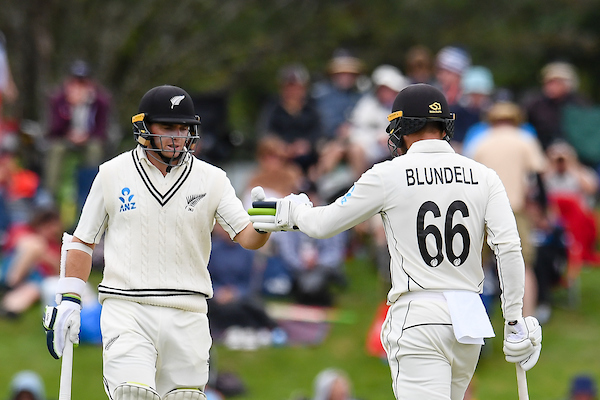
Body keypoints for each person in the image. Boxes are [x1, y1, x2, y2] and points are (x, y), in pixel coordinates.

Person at [249, 84, 542, 400]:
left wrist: (283, 209)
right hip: (469, 321)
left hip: (418, 316)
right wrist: (514, 321)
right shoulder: (484, 176)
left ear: (403, 127)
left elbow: (323, 224)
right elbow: (510, 249)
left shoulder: (388, 174)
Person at [42, 85, 271, 400]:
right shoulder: (112, 174)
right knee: (132, 393)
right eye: (167, 127)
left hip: (188, 312)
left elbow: (246, 235)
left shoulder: (213, 179)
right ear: (145, 127)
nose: (177, 136)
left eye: (183, 128)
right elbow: (82, 241)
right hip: (128, 308)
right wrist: (69, 299)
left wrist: (265, 224)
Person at [472, 101, 548, 318]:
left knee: (477, 266)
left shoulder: (481, 142)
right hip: (514, 210)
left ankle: (475, 319)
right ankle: (526, 319)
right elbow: (538, 177)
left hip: (482, 210)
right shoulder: (524, 141)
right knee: (523, 265)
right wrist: (542, 210)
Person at [44, 59, 112, 217]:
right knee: (56, 150)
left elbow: (102, 130)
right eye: (75, 81)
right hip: (65, 138)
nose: (79, 86)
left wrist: (86, 136)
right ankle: (49, 195)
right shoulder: (58, 99)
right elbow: (54, 129)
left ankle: (90, 192)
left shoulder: (100, 101)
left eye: (82, 82)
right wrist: (69, 108)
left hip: (89, 139)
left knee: (94, 149)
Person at [0, 206, 62, 319]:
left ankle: (10, 307)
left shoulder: (56, 246)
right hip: (12, 267)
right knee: (35, 245)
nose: (53, 230)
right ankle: (10, 284)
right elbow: (19, 244)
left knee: (34, 289)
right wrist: (42, 253)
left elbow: (58, 270)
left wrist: (43, 255)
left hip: (35, 277)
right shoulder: (22, 230)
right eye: (49, 226)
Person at [524, 61, 588, 151]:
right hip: (543, 152)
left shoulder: (580, 104)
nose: (551, 86)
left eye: (556, 83)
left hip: (574, 153)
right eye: (548, 82)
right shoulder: (535, 104)